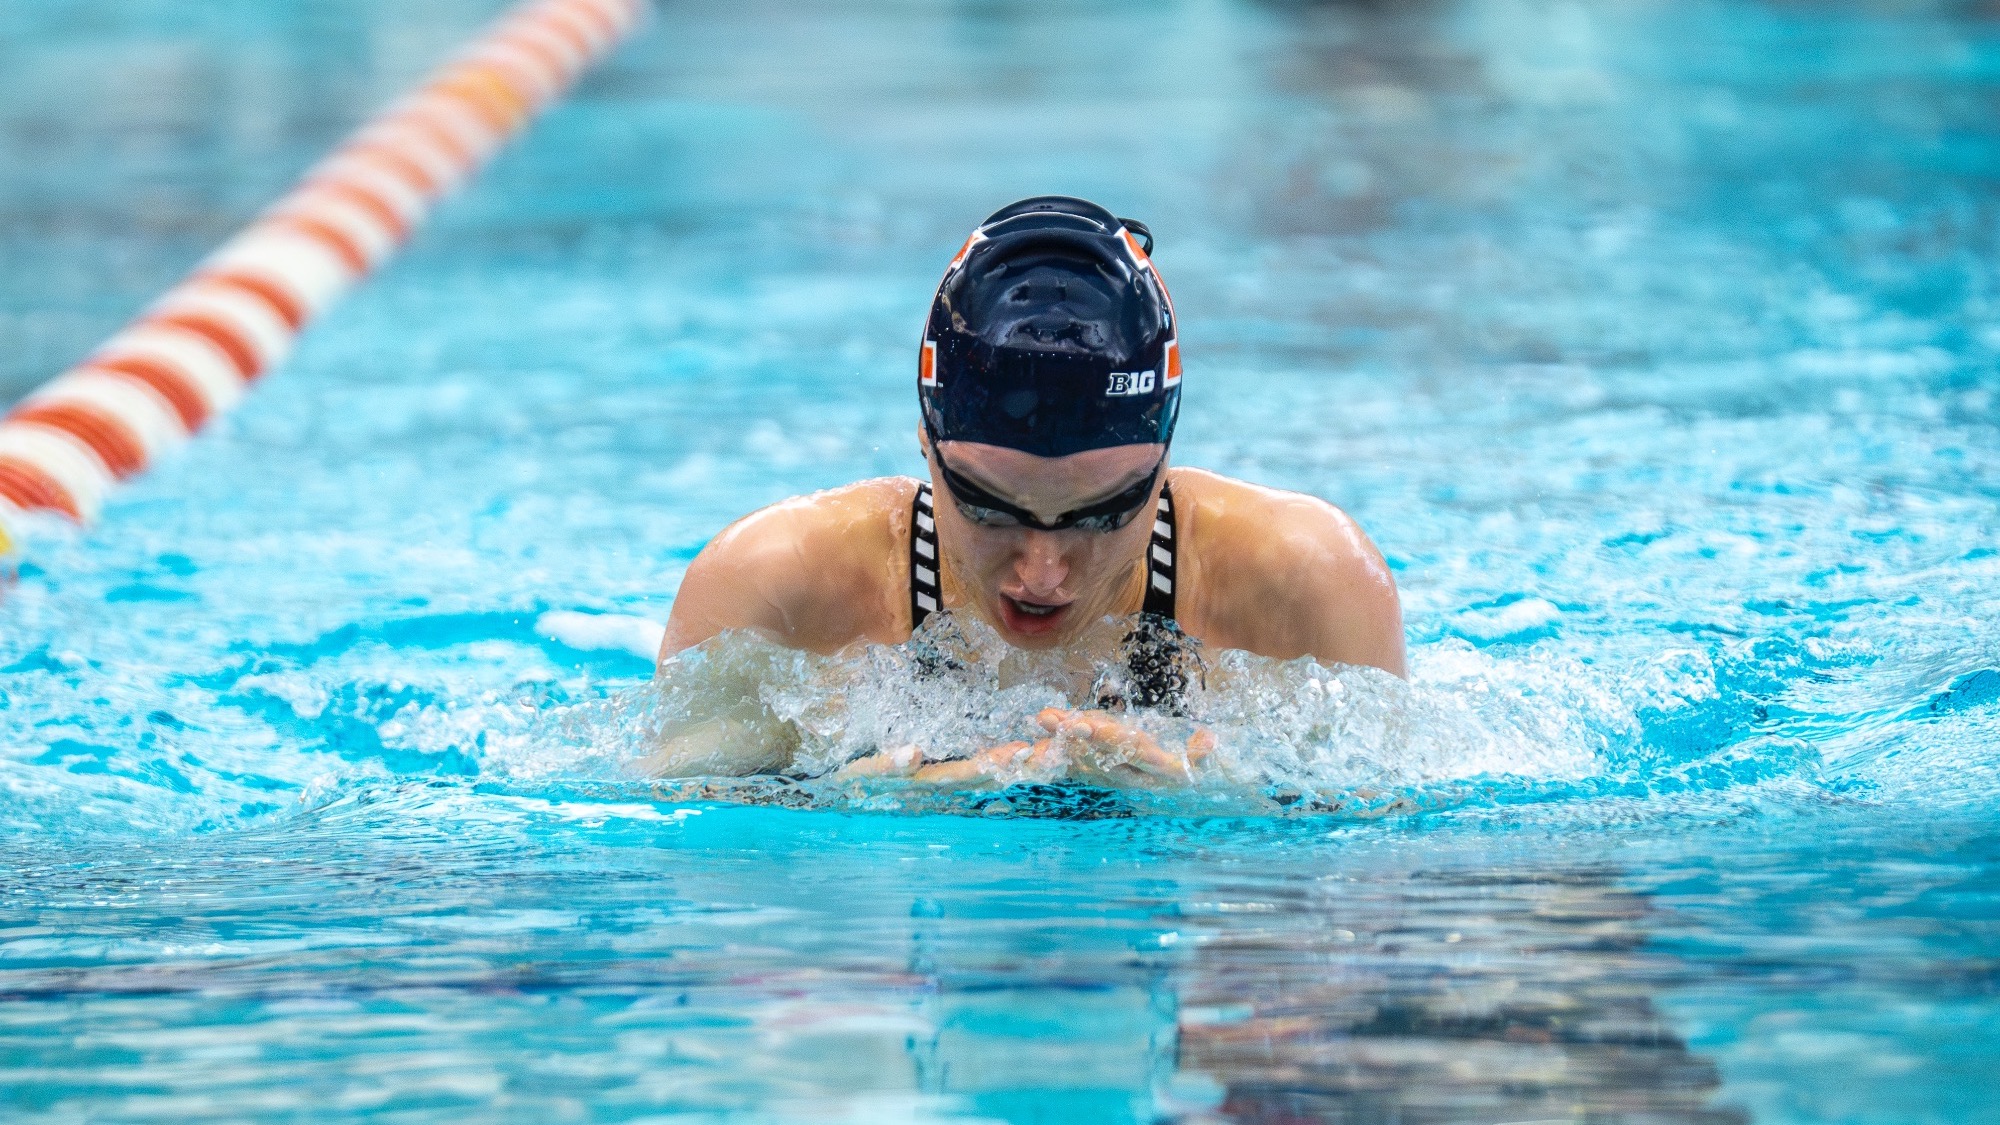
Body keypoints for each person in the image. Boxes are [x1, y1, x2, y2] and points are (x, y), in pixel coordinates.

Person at [652, 196, 1404, 786]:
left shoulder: (1308, 583)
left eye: (1103, 513)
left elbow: (1379, 890)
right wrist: (845, 815)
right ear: (926, 440)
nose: (1042, 571)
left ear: (1165, 459)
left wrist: (1232, 815)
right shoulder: (775, 593)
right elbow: (672, 870)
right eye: (989, 506)